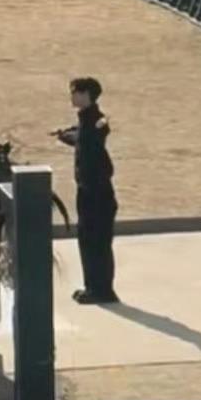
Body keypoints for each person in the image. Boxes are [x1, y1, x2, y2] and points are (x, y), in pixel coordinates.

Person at [54, 75, 118, 305]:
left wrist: (76, 135)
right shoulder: (85, 120)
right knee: (87, 240)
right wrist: (66, 136)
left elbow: (94, 135)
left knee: (97, 242)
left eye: (75, 92)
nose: (71, 96)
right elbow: (82, 138)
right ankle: (92, 287)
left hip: (97, 192)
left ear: (86, 95)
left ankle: (103, 290)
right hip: (87, 191)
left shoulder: (96, 121)